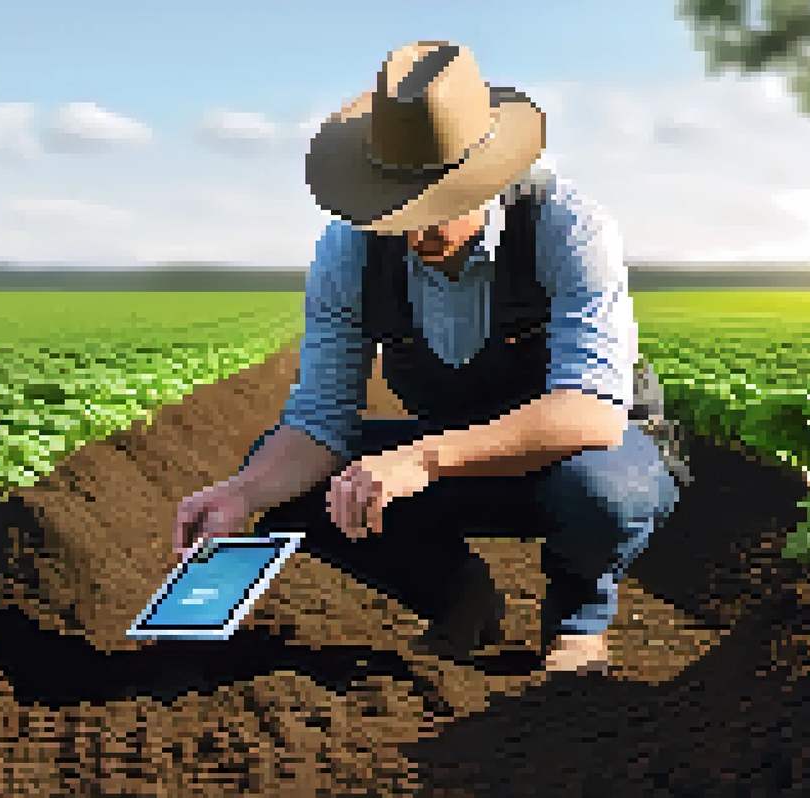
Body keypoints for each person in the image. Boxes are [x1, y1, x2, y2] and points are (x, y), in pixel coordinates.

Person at [173, 41, 685, 676]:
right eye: (397, 209)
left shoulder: (565, 225)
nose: (416, 233)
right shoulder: (349, 252)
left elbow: (593, 415)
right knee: (283, 476)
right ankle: (460, 598)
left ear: (485, 174)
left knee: (603, 491)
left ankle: (577, 617)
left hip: (579, 457)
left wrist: (422, 457)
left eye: (436, 205)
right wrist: (240, 495)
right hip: (452, 462)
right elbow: (320, 421)